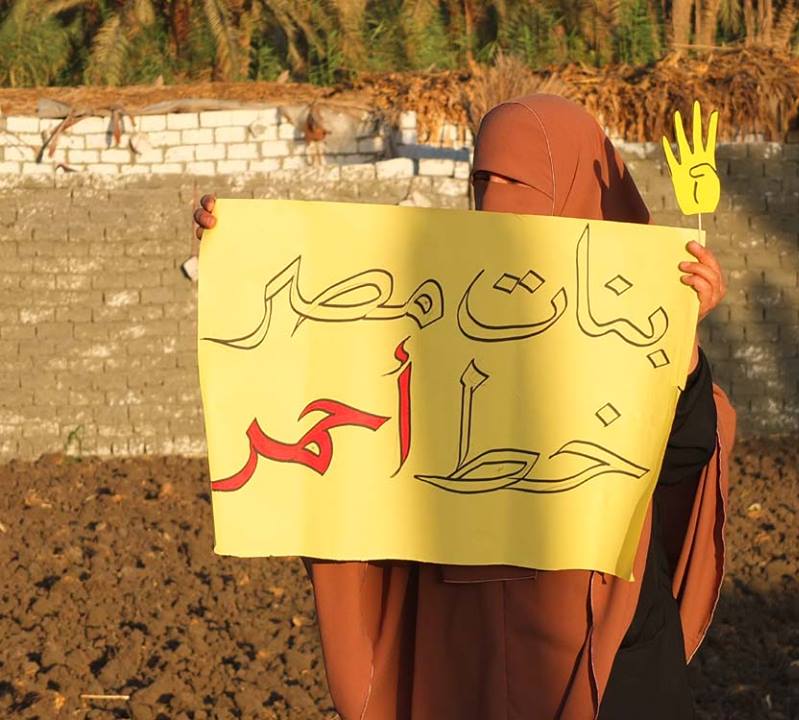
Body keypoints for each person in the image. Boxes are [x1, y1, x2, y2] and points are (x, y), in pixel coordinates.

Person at [194, 93, 736, 719]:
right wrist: (240, 252)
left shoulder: (625, 308)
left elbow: (682, 457)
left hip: (609, 626)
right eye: (483, 181)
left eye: (519, 182)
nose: (496, 198)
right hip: (463, 627)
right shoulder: (432, 297)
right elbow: (331, 363)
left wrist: (679, 343)